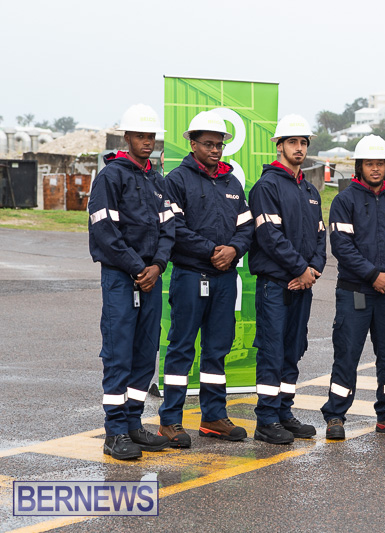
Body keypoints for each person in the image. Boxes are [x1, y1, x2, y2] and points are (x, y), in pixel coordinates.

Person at [157, 111, 254, 447]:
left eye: (219, 144)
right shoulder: (177, 180)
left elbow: (247, 227)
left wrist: (234, 250)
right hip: (189, 276)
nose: (215, 150)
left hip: (225, 279)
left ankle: (213, 417)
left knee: (216, 350)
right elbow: (175, 229)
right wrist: (214, 249)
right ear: (192, 143)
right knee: (182, 348)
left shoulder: (232, 183)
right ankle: (170, 421)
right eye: (208, 144)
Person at [88, 104, 174, 460]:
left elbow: (169, 228)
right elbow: (104, 231)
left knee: (144, 353)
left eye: (151, 136)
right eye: (140, 135)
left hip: (150, 278)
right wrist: (139, 268)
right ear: (126, 138)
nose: (146, 142)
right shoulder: (111, 177)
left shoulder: (158, 180)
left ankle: (135, 423)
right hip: (122, 279)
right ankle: (115, 431)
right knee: (119, 353)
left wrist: (158, 266)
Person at [321, 135, 385, 440]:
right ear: (359, 167)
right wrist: (372, 275)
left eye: (379, 163)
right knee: (347, 354)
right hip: (355, 292)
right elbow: (342, 247)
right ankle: (336, 415)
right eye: (369, 164)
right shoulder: (344, 201)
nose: (375, 169)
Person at [248, 114, 326, 445]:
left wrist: (313, 271)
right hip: (275, 285)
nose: (299, 148)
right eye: (292, 142)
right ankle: (266, 419)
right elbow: (269, 235)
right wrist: (299, 270)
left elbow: (320, 237)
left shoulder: (310, 189)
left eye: (303, 142)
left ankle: (284, 411)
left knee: (293, 348)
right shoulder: (266, 187)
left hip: (302, 284)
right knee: (272, 349)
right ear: (278, 146)